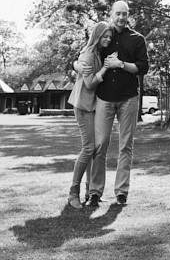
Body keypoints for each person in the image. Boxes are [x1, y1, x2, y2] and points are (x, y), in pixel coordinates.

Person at [85, 0, 149, 207]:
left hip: (129, 98)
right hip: (104, 98)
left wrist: (120, 64)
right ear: (111, 14)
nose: (121, 17)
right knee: (100, 145)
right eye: (117, 13)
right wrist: (77, 65)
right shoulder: (104, 35)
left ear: (128, 15)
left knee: (126, 146)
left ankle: (121, 192)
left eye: (125, 13)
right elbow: (86, 53)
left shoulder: (137, 39)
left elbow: (143, 68)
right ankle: (95, 191)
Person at [66, 21, 113, 209]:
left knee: (94, 149)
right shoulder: (88, 55)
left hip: (92, 106)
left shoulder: (96, 54)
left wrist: (75, 64)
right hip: (83, 106)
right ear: (97, 36)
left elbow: (79, 63)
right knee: (88, 148)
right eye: (105, 36)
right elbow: (90, 84)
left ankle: (90, 192)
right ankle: (73, 193)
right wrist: (105, 69)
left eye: (110, 37)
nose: (108, 39)